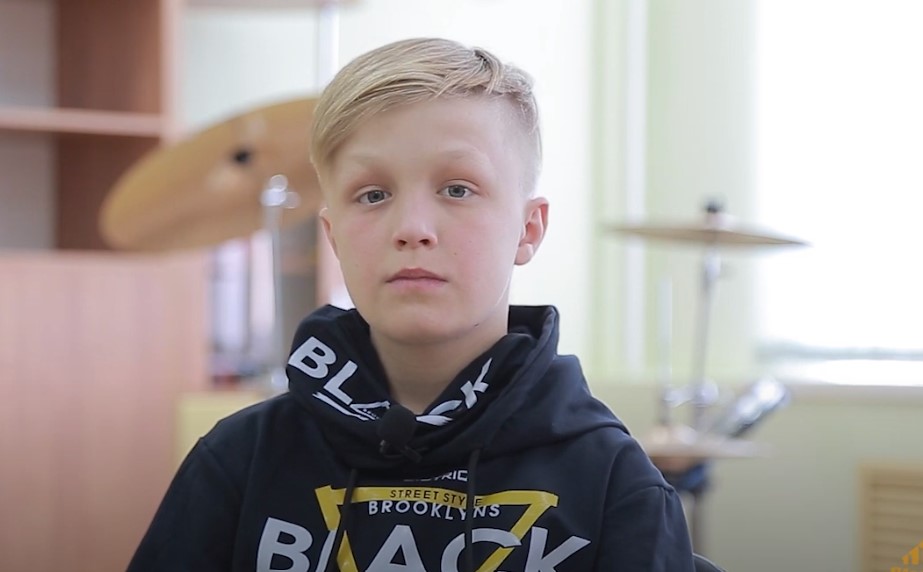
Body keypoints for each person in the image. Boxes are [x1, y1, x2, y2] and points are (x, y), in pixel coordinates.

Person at [127, 37, 695, 571]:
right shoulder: (239, 462)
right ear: (334, 236)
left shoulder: (612, 482)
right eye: (373, 195)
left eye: (457, 189)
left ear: (528, 230)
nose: (413, 227)